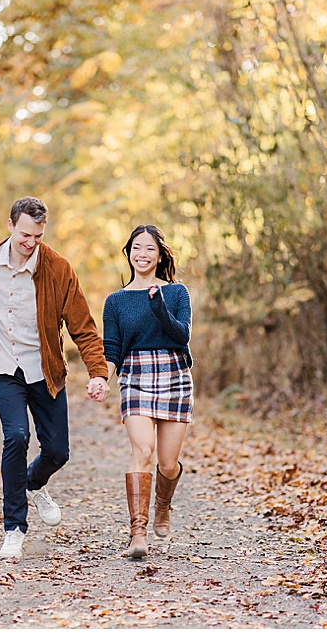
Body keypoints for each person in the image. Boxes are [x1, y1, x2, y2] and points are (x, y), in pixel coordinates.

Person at [0, 196, 110, 563]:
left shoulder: (58, 269)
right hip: (3, 367)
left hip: (44, 371)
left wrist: (98, 373)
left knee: (58, 451)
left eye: (39, 236)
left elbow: (84, 327)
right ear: (11, 225)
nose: (32, 243)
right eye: (26, 235)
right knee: (15, 436)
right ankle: (14, 528)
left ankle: (34, 483)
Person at [101, 222, 193, 558]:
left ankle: (162, 507)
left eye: (149, 248)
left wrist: (159, 307)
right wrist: (102, 378)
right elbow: (111, 348)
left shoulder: (177, 292)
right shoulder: (115, 301)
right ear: (128, 253)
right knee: (143, 451)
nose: (142, 254)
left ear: (159, 255)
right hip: (136, 375)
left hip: (174, 373)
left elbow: (181, 334)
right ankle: (137, 534)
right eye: (136, 248)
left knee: (168, 463)